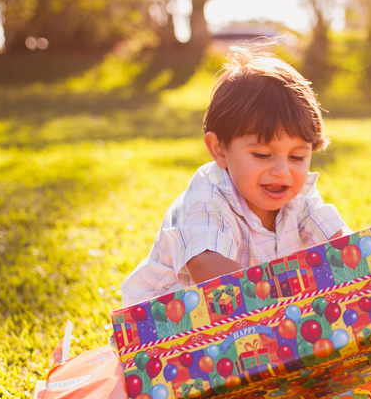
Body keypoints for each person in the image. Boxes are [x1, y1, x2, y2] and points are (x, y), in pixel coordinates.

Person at [119, 48, 349, 307]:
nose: (283, 171)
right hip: (166, 328)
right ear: (220, 149)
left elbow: (340, 243)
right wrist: (279, 298)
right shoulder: (208, 196)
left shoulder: (299, 194)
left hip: (246, 323)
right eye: (262, 154)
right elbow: (206, 267)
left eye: (297, 157)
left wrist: (367, 261)